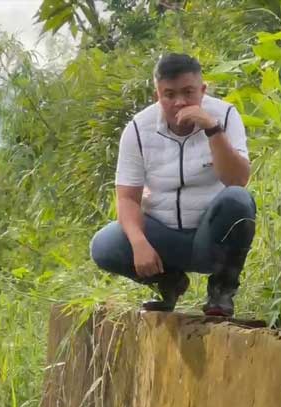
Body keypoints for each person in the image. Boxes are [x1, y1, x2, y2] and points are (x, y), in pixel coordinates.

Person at [90, 53, 256, 317]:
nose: (179, 102)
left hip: (210, 238)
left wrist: (212, 130)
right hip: (164, 235)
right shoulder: (138, 129)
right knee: (105, 245)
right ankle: (169, 282)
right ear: (157, 95)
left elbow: (237, 180)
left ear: (203, 90)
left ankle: (222, 291)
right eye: (169, 95)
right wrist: (138, 242)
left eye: (188, 92)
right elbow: (127, 198)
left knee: (237, 199)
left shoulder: (224, 115)